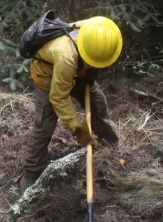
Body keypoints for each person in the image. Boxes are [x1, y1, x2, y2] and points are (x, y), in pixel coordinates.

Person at [19, 16, 123, 192]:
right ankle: (31, 172)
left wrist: (90, 77)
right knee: (45, 124)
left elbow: (97, 57)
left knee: (98, 103)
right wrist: (79, 129)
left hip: (78, 69)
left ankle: (110, 146)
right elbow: (58, 97)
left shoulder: (101, 32)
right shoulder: (66, 56)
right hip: (48, 74)